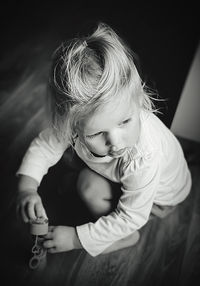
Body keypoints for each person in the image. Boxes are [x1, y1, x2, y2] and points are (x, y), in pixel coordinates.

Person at [16, 22, 192, 257]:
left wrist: (76, 238)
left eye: (125, 122)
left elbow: (131, 215)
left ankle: (125, 237)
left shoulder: (145, 155)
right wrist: (27, 188)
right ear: (73, 124)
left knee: (88, 188)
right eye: (97, 133)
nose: (116, 142)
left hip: (158, 199)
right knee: (80, 171)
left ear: (138, 99)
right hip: (125, 175)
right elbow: (45, 146)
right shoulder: (80, 122)